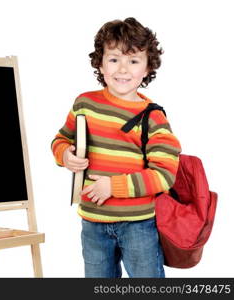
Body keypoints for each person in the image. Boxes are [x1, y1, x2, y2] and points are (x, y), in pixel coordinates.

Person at [50, 17, 182, 278]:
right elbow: (61, 139)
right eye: (114, 59)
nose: (123, 69)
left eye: (133, 61)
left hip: (139, 224)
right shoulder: (84, 104)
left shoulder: (153, 117)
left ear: (147, 68)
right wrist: (65, 155)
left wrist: (114, 186)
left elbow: (165, 175)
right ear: (100, 63)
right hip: (93, 222)